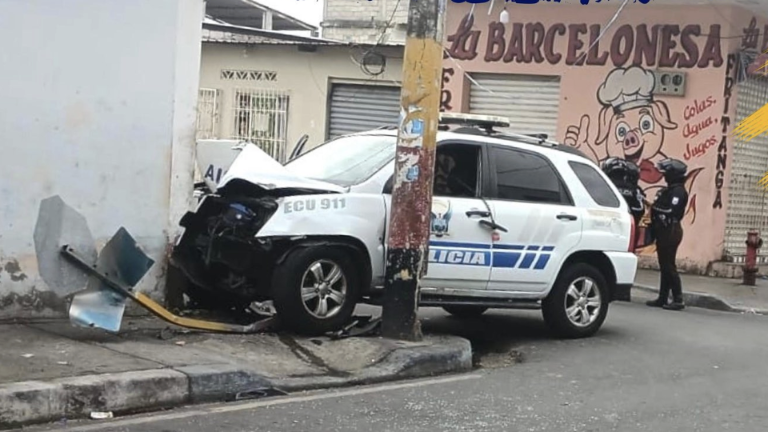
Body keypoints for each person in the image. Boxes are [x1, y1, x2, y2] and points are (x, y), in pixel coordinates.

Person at [645, 158, 688, 311]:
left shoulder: (678, 191)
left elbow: (672, 211)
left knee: (669, 265)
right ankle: (663, 297)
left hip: (671, 231)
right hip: (664, 231)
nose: (664, 177)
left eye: (666, 174)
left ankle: (678, 298)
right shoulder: (669, 190)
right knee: (664, 265)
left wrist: (654, 208)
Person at [601, 157, 646, 230]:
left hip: (605, 226)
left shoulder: (604, 187)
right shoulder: (634, 189)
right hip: (628, 226)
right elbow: (640, 209)